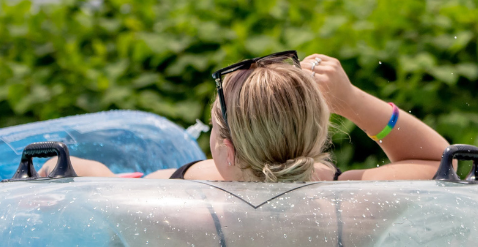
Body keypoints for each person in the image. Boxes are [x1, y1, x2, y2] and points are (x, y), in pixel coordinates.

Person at [42, 51, 449, 181]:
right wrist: (351, 99)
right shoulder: (348, 200)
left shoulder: (178, 203)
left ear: (229, 151)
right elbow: (440, 161)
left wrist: (80, 171)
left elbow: (114, 191)